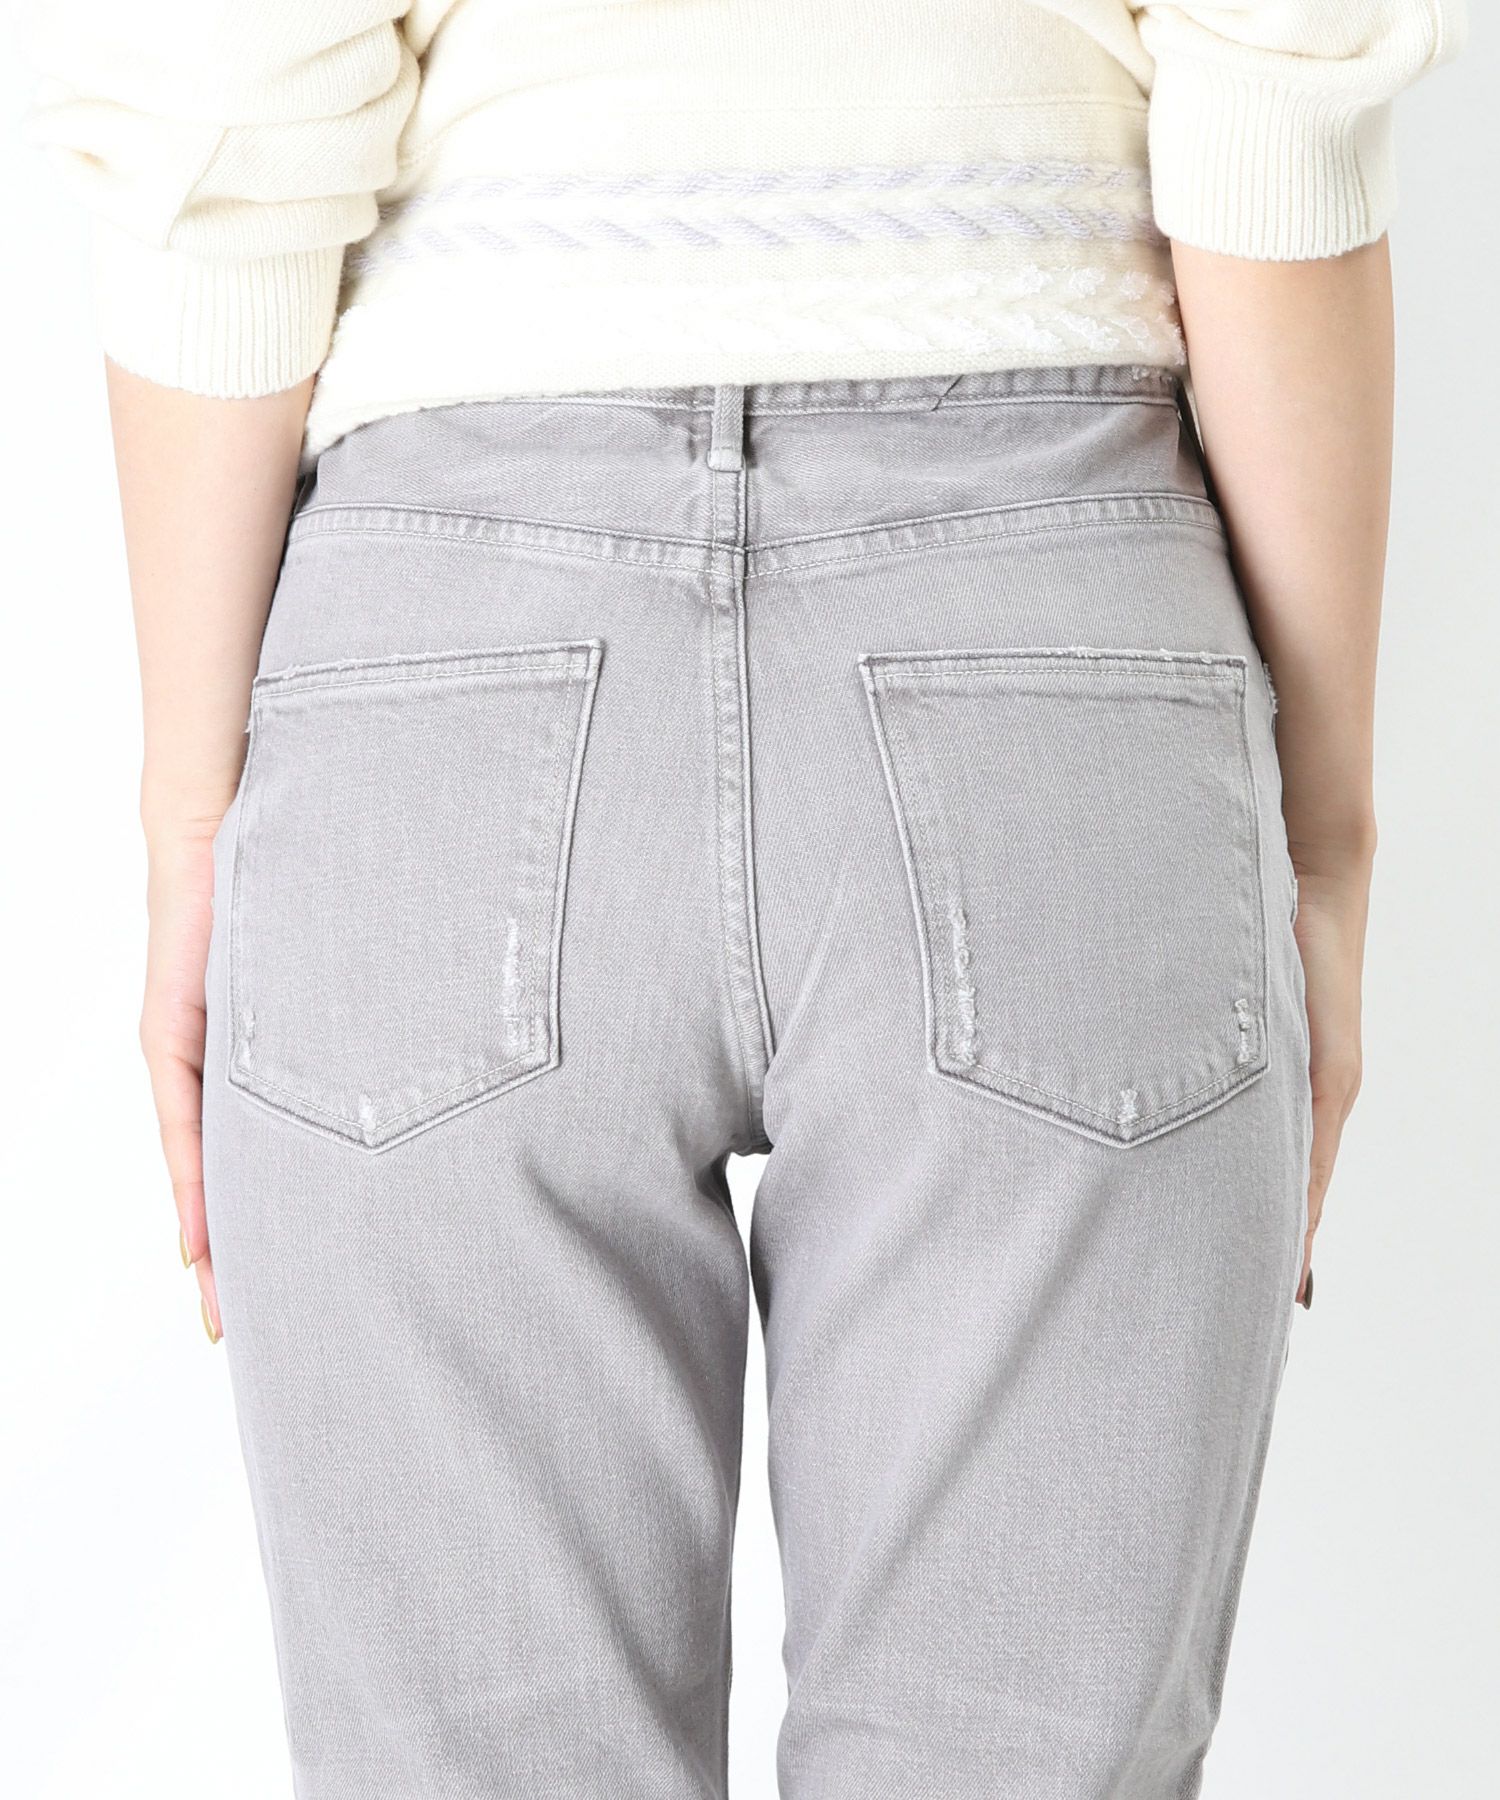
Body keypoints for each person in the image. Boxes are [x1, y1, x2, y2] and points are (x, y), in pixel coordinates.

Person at [27, 2, 1464, 1794]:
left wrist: (191, 816)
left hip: (446, 667)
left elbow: (221, 92)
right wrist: (1322, 835)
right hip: (1046, 634)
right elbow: (1277, 94)